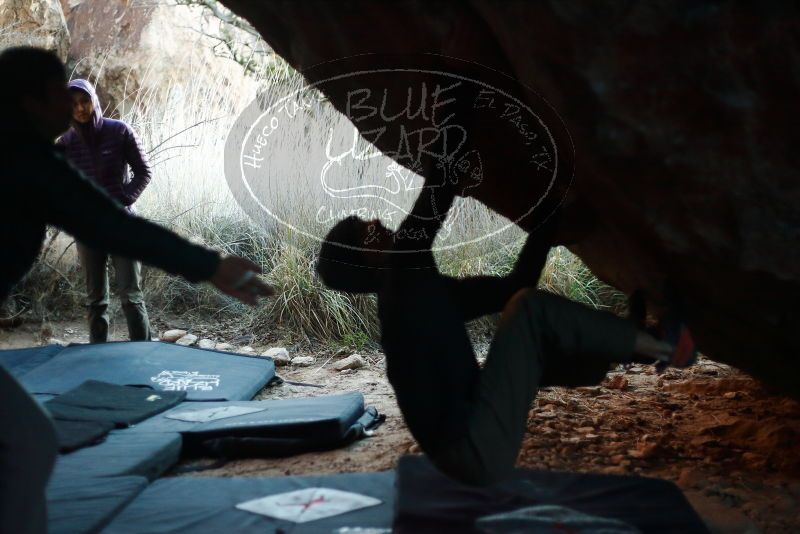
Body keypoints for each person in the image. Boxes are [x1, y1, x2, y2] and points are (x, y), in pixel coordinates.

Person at [0, 46, 272, 534]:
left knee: (26, 440)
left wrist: (204, 263)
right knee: (26, 443)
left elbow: (111, 213)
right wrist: (209, 266)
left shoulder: (33, 151)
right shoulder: (23, 158)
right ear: (30, 101)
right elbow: (106, 223)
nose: (70, 105)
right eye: (59, 93)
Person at [318, 183, 695, 486]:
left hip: (468, 451)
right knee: (529, 309)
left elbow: (514, 284)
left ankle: (645, 345)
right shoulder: (401, 281)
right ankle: (666, 346)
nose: (377, 222)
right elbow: (440, 187)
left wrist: (547, 219)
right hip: (474, 449)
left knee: (531, 332)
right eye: (364, 227)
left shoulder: (417, 293)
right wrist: (459, 103)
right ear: (365, 253)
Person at [57, 79, 154, 342]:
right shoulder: (65, 144)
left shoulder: (119, 131)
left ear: (94, 100)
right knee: (96, 301)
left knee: (131, 298)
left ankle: (143, 355)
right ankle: (99, 359)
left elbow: (144, 172)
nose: (80, 108)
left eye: (84, 101)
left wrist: (124, 198)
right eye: (73, 104)